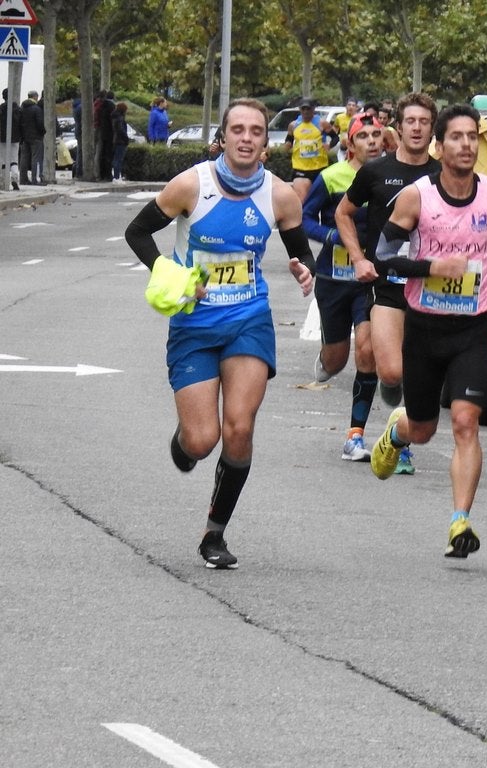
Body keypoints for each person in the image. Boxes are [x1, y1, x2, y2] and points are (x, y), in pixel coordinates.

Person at [123, 97, 316, 570]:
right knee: (202, 439)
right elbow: (137, 232)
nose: (247, 138)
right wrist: (170, 275)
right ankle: (184, 443)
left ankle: (214, 533)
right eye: (238, 130)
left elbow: (299, 248)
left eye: (256, 131)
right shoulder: (191, 185)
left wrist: (304, 269)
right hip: (193, 323)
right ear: (224, 138)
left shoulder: (279, 195)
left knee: (240, 426)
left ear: (266, 145)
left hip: (248, 319)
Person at [367, 103, 487, 559]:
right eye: (457, 137)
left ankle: (459, 522)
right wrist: (431, 266)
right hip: (425, 329)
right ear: (440, 144)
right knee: (424, 430)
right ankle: (398, 431)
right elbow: (383, 255)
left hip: (473, 327)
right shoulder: (417, 197)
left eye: (473, 136)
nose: (467, 144)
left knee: (467, 422)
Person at [336, 92, 440, 475]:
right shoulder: (376, 171)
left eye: (424, 122)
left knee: (416, 367)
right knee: (387, 368)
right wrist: (360, 258)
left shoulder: (443, 176)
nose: (416, 128)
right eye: (410, 121)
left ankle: (401, 440)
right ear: (399, 125)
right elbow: (343, 213)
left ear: (433, 129)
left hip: (428, 286)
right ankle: (358, 431)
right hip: (384, 280)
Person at [302, 114, 387, 461]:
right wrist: (331, 235)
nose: (371, 141)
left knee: (366, 350)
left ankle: (355, 435)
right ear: (350, 144)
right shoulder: (330, 178)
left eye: (376, 135)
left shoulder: (389, 177)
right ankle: (326, 356)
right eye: (363, 136)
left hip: (370, 279)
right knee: (337, 361)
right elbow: (303, 218)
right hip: (334, 278)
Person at [285, 98, 335, 202]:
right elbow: (289, 138)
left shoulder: (322, 124)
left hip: (319, 166)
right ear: (300, 109)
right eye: (303, 109)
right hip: (300, 167)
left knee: (319, 201)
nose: (306, 112)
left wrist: (329, 145)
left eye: (308, 109)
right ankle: (303, 217)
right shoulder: (293, 125)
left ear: (313, 109)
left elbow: (335, 137)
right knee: (302, 200)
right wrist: (287, 144)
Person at [18, 91, 45, 186]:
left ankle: (23, 179)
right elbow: (40, 123)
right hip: (36, 137)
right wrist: (43, 132)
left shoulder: (22, 108)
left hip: (24, 137)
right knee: (36, 158)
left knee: (24, 158)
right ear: (35, 97)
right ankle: (35, 179)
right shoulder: (36, 109)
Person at [2, 88, 24, 189]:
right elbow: (22, 124)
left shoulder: (1, 108)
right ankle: (14, 178)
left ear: (3, 97)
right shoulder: (18, 109)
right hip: (15, 138)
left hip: (2, 138)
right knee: (14, 160)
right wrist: (22, 137)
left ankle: (3, 181)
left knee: (3, 160)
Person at [111, 101, 130, 182]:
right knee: (118, 159)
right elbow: (121, 130)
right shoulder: (120, 118)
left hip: (116, 140)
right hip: (121, 141)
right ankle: (116, 176)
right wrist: (126, 138)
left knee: (117, 159)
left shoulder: (115, 117)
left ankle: (116, 176)